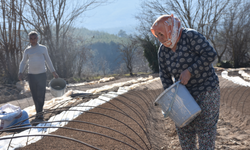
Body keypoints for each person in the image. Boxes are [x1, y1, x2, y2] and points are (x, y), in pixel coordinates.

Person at [151, 14, 220, 150]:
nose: (159, 38)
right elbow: (164, 75)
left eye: (161, 34)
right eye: (157, 35)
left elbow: (210, 54)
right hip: (183, 96)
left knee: (205, 133)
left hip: (206, 91)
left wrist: (190, 71)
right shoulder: (163, 51)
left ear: (170, 29)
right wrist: (172, 98)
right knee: (185, 133)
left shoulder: (190, 37)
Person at [18, 31, 59, 122]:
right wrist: (20, 72)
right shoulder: (27, 50)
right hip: (31, 76)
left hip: (41, 75)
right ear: (29, 40)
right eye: (31, 39)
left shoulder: (43, 48)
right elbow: (23, 62)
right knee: (35, 95)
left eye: (34, 38)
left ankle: (39, 113)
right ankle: (39, 112)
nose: (33, 40)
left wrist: (53, 72)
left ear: (37, 38)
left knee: (41, 94)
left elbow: (48, 60)